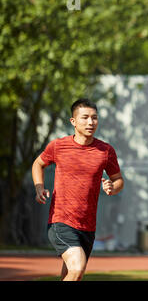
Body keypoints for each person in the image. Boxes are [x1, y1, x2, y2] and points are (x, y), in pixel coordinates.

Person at [32, 98, 124, 281]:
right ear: (73, 121)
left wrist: (113, 187)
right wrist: (39, 187)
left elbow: (118, 180)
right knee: (77, 266)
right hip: (61, 221)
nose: (90, 122)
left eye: (94, 118)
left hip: (88, 226)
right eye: (85, 118)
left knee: (72, 274)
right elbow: (38, 164)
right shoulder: (58, 146)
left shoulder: (105, 151)